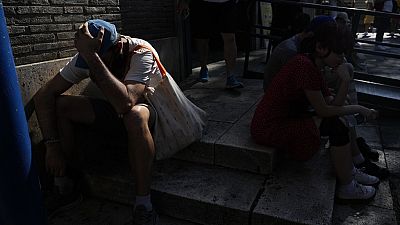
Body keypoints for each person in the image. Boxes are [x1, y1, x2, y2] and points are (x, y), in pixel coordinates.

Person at [34, 19, 160, 225]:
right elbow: (44, 95)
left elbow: (125, 104)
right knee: (61, 105)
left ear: (117, 47)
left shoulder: (141, 52)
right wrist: (52, 146)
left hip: (146, 115)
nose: (91, 63)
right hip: (114, 114)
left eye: (99, 57)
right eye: (88, 56)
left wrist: (92, 57)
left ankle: (144, 204)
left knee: (134, 116)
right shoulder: (88, 56)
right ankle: (65, 187)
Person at [252, 21, 381, 202]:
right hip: (270, 126)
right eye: (338, 53)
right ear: (321, 48)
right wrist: (361, 109)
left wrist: (344, 80)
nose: (342, 58)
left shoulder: (314, 66)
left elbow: (335, 104)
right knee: (335, 124)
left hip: (288, 118)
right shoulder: (303, 65)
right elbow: (325, 110)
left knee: (338, 121)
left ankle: (350, 172)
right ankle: (347, 185)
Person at [177, 0, 244, 88]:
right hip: (203, 2)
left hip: (227, 3)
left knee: (230, 38)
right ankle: (203, 68)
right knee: (202, 39)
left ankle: (231, 76)